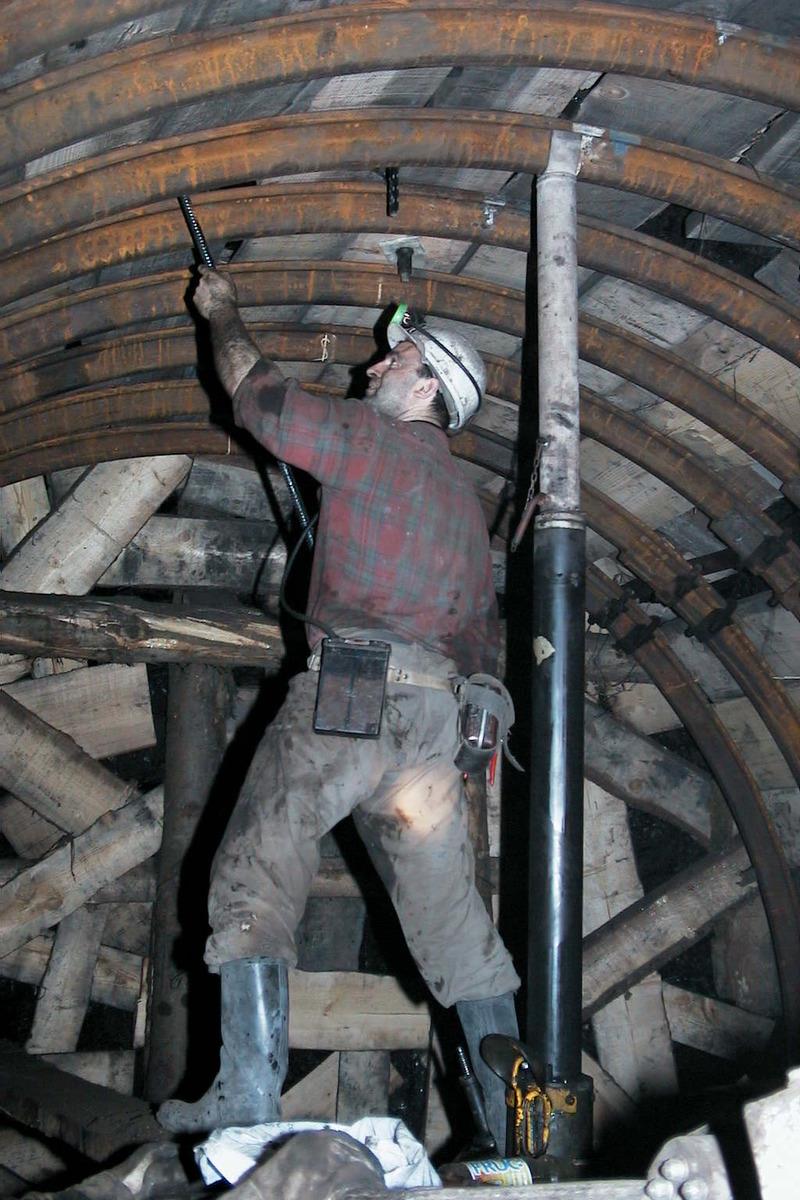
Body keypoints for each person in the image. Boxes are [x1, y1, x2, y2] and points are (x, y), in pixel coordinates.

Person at [157, 267, 520, 1146]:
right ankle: (516, 1132)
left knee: (258, 861)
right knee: (453, 926)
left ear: (426, 388)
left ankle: (247, 1093)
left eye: (394, 362)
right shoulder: (468, 509)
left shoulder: (371, 440)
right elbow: (482, 645)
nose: (371, 370)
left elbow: (258, 398)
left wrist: (222, 310)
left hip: (354, 694)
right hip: (434, 731)